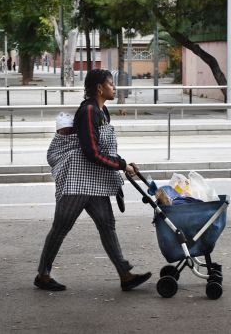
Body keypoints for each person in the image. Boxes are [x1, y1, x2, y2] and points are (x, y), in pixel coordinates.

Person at [35, 69, 151, 292]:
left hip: (94, 181)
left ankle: (125, 275)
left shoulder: (102, 110)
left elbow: (104, 149)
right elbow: (91, 152)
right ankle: (43, 275)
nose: (114, 88)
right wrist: (120, 165)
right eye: (111, 84)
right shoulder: (89, 111)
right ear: (100, 88)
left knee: (107, 225)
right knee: (61, 227)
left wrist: (124, 162)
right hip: (77, 180)